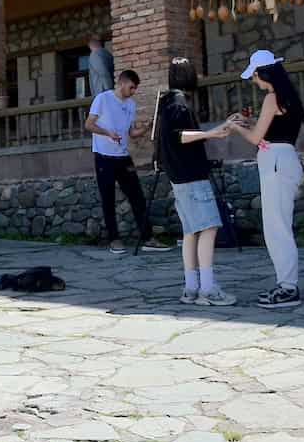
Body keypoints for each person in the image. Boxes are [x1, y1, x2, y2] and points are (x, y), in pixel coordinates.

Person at [224, 49, 304, 309]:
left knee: (276, 227)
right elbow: (271, 129)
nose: (254, 81)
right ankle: (286, 283)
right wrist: (247, 122)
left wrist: (235, 126)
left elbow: (256, 138)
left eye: (255, 76)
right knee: (280, 224)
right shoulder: (288, 97)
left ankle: (288, 287)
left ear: (263, 73)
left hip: (275, 162)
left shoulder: (272, 98)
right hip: (286, 158)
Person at [157, 58, 234, 306]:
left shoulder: (166, 103)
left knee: (191, 231)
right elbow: (179, 136)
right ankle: (208, 289)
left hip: (178, 177)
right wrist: (212, 133)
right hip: (192, 175)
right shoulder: (179, 103)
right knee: (209, 227)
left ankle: (190, 288)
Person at [84, 69, 169, 254]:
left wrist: (146, 128)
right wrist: (108, 133)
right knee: (108, 199)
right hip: (104, 157)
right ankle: (114, 240)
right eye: (131, 87)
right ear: (122, 83)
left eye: (135, 88)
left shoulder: (131, 104)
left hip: (123, 157)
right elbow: (88, 124)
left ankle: (148, 238)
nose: (133, 91)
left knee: (137, 197)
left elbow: (131, 133)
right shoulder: (103, 99)